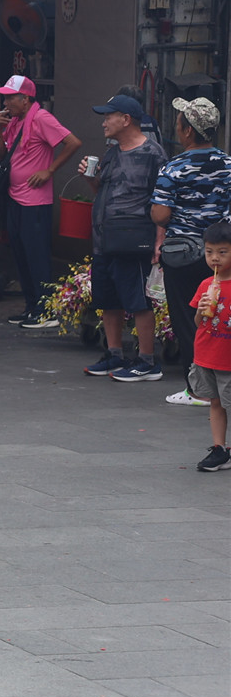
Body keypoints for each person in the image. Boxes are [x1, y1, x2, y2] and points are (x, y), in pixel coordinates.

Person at [83, 90, 166, 383]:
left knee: (138, 300)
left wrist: (159, 240)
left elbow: (163, 199)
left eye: (108, 117)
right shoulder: (112, 153)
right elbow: (102, 192)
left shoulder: (153, 153)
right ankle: (115, 353)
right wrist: (91, 179)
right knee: (108, 298)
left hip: (134, 238)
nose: (104, 122)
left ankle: (147, 361)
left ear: (126, 119)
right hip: (104, 239)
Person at [151, 97, 231, 396]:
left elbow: (160, 215)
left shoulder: (173, 167)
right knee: (221, 319)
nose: (177, 126)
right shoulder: (229, 165)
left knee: (188, 321)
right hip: (222, 255)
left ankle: (197, 390)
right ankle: (220, 386)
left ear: (187, 130)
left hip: (183, 256)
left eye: (179, 121)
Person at [0, 74, 81, 329]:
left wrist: (49, 170)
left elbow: (73, 142)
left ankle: (46, 312)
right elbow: (0, 154)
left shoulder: (41, 118)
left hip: (35, 201)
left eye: (10, 98)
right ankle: (32, 306)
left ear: (26, 99)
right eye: (5, 98)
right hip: (14, 196)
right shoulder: (14, 122)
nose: (6, 103)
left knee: (36, 256)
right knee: (20, 254)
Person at [187, 223, 231, 470]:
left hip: (228, 357)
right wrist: (202, 309)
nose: (215, 258)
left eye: (222, 252)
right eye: (209, 252)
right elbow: (198, 322)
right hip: (207, 353)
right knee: (215, 401)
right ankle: (219, 448)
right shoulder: (206, 284)